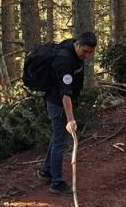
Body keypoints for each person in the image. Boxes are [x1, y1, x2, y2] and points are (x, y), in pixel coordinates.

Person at [38, 31, 98, 196]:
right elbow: (65, 94)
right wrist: (70, 120)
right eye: (84, 51)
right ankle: (57, 182)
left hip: (61, 100)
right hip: (58, 103)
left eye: (90, 53)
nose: (86, 55)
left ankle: (47, 170)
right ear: (77, 44)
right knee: (61, 141)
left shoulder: (74, 52)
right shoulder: (64, 61)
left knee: (57, 136)